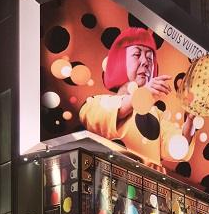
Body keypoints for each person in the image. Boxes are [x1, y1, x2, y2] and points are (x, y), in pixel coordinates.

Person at [77, 27, 198, 170]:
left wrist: (191, 120)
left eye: (149, 57)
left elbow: (178, 149)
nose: (145, 62)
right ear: (120, 61)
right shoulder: (96, 102)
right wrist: (142, 96)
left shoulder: (157, 115)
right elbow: (95, 120)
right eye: (136, 54)